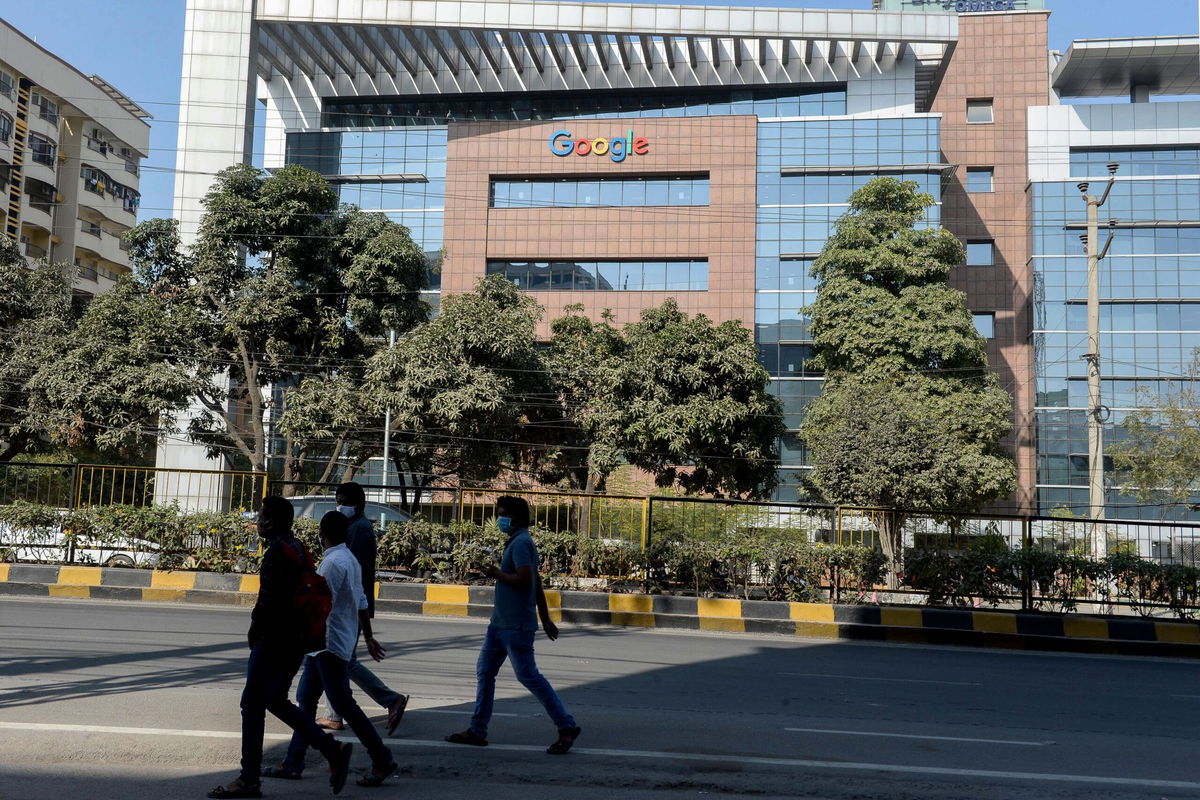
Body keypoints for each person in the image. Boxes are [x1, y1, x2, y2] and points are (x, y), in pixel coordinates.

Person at [207, 497, 353, 799]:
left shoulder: (276, 553)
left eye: (261, 516)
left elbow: (268, 602)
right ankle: (331, 748)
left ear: (270, 522)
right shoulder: (298, 547)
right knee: (274, 699)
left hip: (274, 640)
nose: (257, 522)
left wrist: (254, 630)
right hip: (298, 640)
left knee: (252, 705)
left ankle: (249, 780)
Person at [266, 511, 398, 788]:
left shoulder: (331, 564)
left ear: (321, 533)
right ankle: (293, 762)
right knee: (307, 699)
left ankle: (382, 758)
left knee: (340, 703)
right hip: (335, 641)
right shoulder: (350, 560)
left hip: (326, 643)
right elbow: (362, 602)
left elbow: (318, 605)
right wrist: (368, 636)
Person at [445, 496, 581, 755]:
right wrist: (545, 616)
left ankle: (566, 726)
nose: (500, 519)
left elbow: (524, 579)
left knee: (528, 676)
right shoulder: (517, 542)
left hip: (515, 626)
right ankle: (477, 730)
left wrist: (495, 574)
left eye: (503, 514)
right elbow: (536, 583)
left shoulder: (520, 543)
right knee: (485, 673)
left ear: (517, 517)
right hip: (499, 625)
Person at [315, 482, 408, 736]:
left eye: (344, 500)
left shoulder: (358, 531)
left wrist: (365, 628)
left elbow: (354, 581)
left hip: (349, 610)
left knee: (343, 662)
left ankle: (390, 700)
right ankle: (333, 715)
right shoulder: (354, 528)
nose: (339, 504)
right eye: (337, 499)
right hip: (348, 610)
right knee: (339, 662)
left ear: (359, 503)